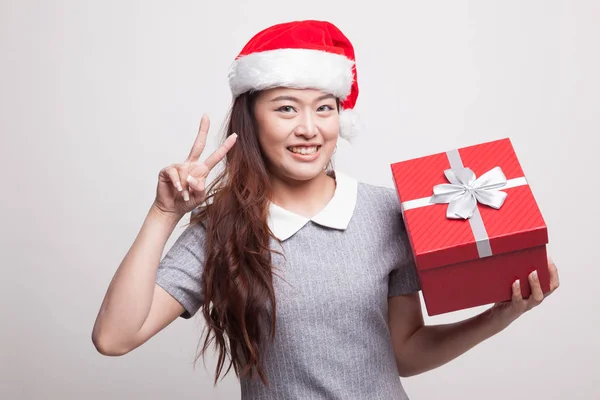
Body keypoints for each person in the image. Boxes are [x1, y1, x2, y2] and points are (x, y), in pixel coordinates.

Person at [91, 20, 560, 399]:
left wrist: (500, 316)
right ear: (251, 119)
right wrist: (162, 213)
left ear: (341, 116)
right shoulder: (222, 228)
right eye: (287, 109)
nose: (309, 129)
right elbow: (114, 338)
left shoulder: (386, 211)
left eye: (325, 108)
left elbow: (404, 353)